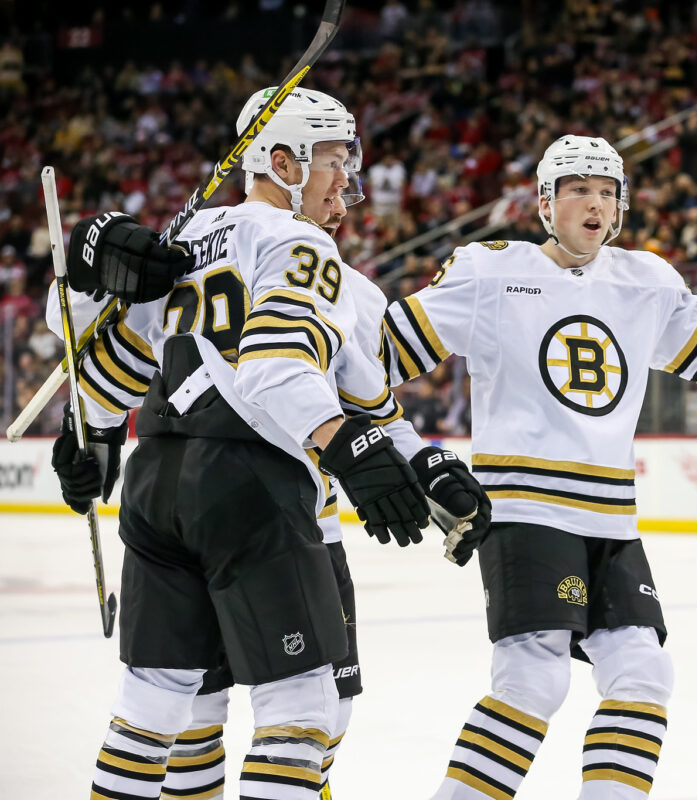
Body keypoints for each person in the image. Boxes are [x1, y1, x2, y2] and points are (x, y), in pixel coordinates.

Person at [49, 87, 450, 800]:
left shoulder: (181, 242)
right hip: (254, 487)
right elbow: (278, 367)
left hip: (157, 487)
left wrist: (92, 431)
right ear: (282, 162)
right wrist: (347, 445)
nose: (345, 184)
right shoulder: (301, 245)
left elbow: (97, 353)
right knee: (303, 710)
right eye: (333, 161)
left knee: (154, 704)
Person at [381, 134, 697, 800]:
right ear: (545, 203)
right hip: (525, 509)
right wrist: (399, 446)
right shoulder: (491, 272)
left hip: (612, 519)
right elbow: (376, 358)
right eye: (579, 190)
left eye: (608, 192)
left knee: (643, 672)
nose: (596, 204)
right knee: (533, 676)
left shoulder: (647, 281)